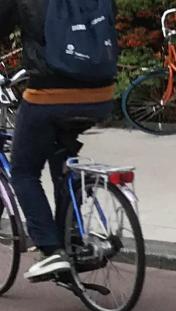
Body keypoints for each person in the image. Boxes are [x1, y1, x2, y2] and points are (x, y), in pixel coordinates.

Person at [0, 0, 117, 281]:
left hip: (49, 95)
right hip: (101, 94)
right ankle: (71, 236)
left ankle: (51, 250)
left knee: (23, 171)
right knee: (60, 155)